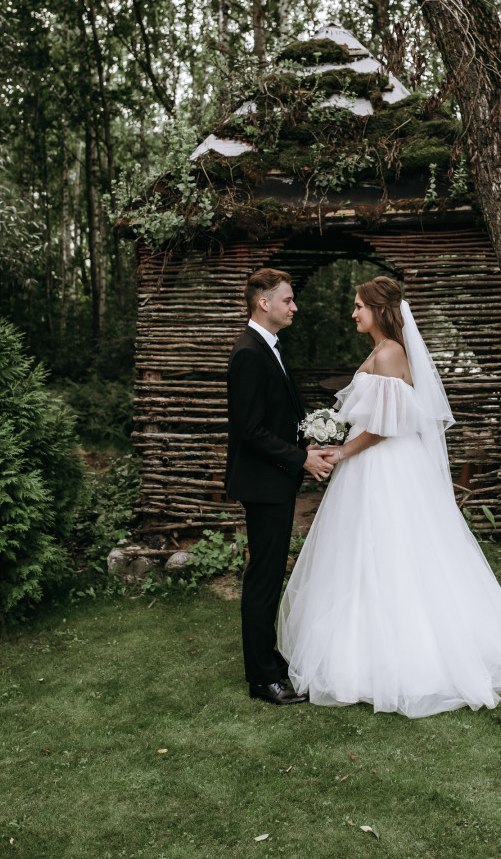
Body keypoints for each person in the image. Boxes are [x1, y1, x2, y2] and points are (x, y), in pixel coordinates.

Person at [278, 276, 501, 718]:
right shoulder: (381, 352)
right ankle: (360, 647)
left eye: (359, 306)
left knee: (395, 551)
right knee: (363, 554)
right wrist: (331, 433)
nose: (353, 312)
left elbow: (384, 425)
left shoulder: (390, 353)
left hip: (386, 466)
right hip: (372, 464)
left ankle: (408, 657)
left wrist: (342, 449)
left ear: (380, 310)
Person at [226, 268, 334, 705]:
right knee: (264, 578)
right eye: (287, 300)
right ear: (262, 303)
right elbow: (249, 430)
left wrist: (309, 437)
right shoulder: (248, 353)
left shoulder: (268, 346)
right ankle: (261, 678)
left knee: (270, 573)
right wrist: (299, 458)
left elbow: (278, 412)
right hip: (263, 482)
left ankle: (268, 659)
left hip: (276, 478)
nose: (294, 306)